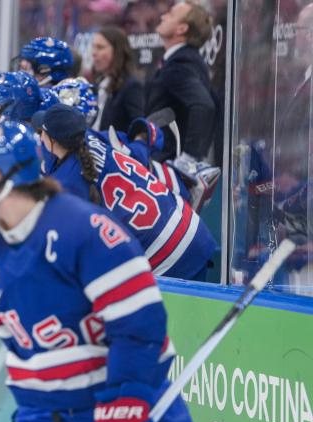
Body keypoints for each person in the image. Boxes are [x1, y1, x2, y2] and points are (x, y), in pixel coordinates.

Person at [0, 120, 195, 422]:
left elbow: (139, 327)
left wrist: (123, 407)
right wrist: (36, 419)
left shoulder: (83, 229)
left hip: (135, 411)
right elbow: (20, 350)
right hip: (47, 416)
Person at [39, 103, 215, 281]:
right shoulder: (92, 139)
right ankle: (184, 183)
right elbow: (137, 152)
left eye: (41, 133)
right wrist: (141, 136)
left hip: (167, 258)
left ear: (51, 140)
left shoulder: (66, 184)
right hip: (194, 230)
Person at [145, 1, 215, 164]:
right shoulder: (180, 60)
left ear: (182, 29)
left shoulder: (181, 63)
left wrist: (189, 158)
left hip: (167, 168)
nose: (163, 16)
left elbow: (204, 106)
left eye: (171, 14)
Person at [91, 25, 144, 132]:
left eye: (100, 47)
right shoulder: (99, 83)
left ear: (117, 51)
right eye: (93, 47)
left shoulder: (131, 86)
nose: (94, 53)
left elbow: (139, 127)